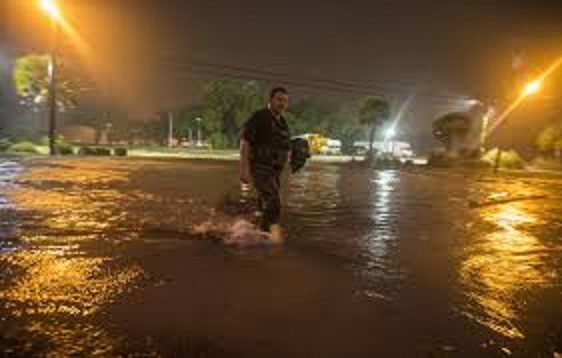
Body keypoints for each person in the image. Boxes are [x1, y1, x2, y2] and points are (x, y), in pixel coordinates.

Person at [239, 87, 291, 243]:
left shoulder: (282, 122)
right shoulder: (260, 117)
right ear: (270, 100)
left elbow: (283, 146)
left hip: (274, 172)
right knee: (274, 203)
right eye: (279, 99)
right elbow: (245, 142)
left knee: (263, 205)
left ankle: (251, 231)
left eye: (285, 101)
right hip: (260, 169)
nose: (282, 103)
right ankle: (265, 238)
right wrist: (244, 169)